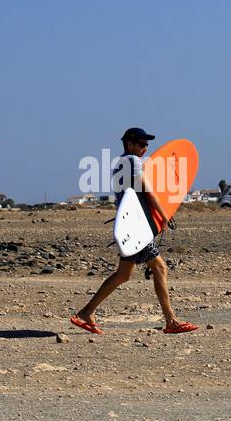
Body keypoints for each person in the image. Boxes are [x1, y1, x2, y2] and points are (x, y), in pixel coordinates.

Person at [71, 127, 198, 335]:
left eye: (147, 145)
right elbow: (148, 190)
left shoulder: (119, 164)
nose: (145, 148)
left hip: (127, 225)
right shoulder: (133, 162)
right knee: (159, 268)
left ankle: (86, 312)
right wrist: (165, 215)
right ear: (129, 144)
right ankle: (171, 321)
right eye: (140, 144)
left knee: (123, 274)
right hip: (136, 229)